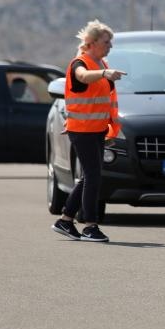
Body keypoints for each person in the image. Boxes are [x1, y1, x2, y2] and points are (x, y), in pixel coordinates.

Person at [51, 20, 126, 242]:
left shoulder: (101, 63)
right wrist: (104, 74)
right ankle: (90, 225)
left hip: (96, 130)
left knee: (88, 177)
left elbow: (102, 101)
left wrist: (110, 129)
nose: (110, 45)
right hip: (81, 130)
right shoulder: (80, 63)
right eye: (106, 41)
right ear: (91, 43)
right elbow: (82, 76)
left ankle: (65, 220)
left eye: (110, 41)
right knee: (93, 176)